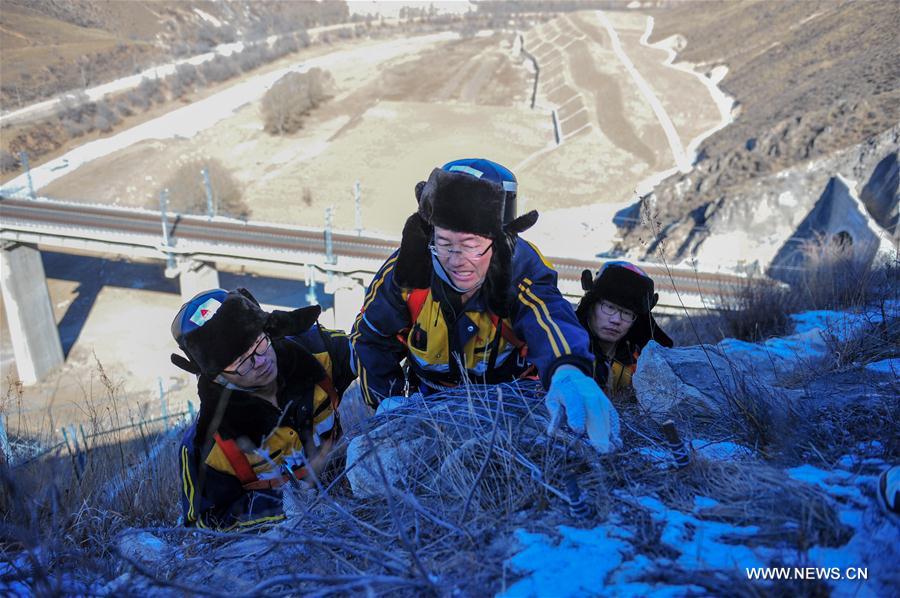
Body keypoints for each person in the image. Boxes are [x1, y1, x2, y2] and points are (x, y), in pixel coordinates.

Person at [351, 158, 620, 453]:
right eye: (444, 242)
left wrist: (568, 370)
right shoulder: (407, 271)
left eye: (471, 245)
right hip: (428, 406)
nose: (455, 259)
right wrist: (388, 400)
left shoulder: (520, 267)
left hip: (514, 401)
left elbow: (550, 317)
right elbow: (370, 339)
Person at [171, 288, 355, 530]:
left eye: (258, 343)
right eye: (242, 363)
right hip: (288, 538)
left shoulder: (319, 352)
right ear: (217, 378)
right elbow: (206, 519)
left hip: (349, 482)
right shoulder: (208, 446)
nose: (261, 361)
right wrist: (281, 507)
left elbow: (372, 345)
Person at [576, 261, 673, 393]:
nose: (616, 320)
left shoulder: (641, 363)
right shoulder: (559, 346)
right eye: (609, 307)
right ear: (591, 305)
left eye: (627, 313)